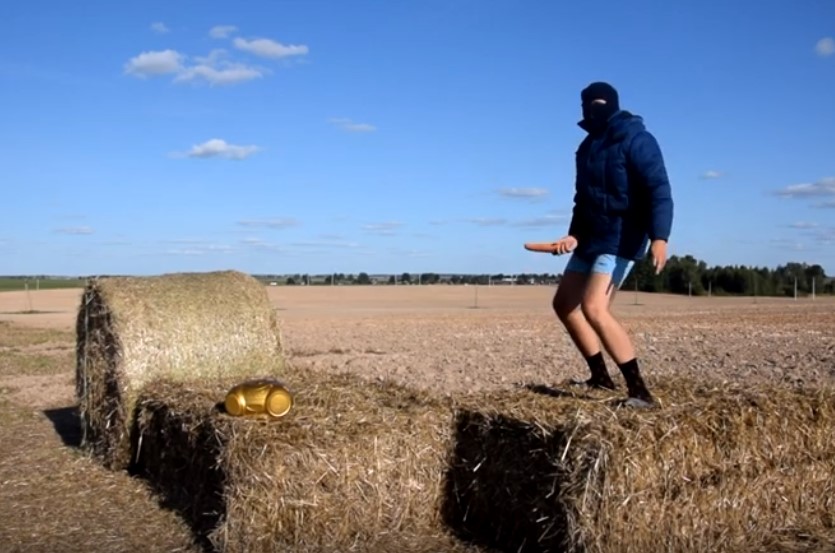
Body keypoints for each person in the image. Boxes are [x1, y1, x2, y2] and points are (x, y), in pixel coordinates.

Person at [551, 82, 674, 408]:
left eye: (600, 103)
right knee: (564, 305)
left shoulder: (637, 139)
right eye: (587, 104)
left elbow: (658, 189)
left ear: (614, 104)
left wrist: (660, 237)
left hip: (623, 237)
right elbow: (582, 200)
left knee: (594, 308)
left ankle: (640, 393)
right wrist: (573, 234)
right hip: (591, 237)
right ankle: (601, 379)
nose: (593, 109)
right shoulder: (587, 148)